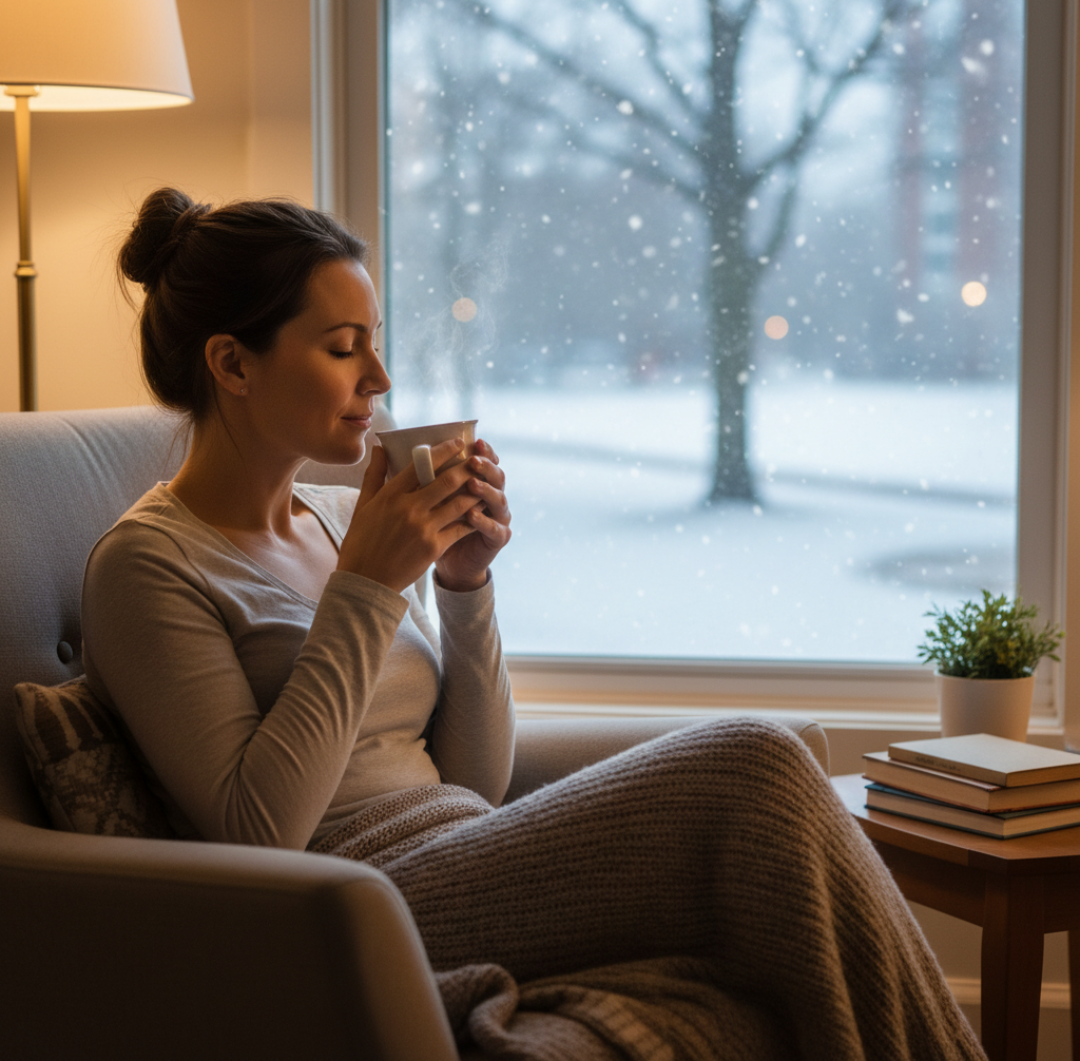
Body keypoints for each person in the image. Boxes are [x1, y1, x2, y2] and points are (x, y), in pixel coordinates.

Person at [80, 186, 987, 1061]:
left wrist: (463, 589)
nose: (381, 378)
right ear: (233, 363)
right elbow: (255, 834)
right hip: (357, 902)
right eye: (343, 348)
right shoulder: (147, 565)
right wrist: (367, 588)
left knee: (772, 867)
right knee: (754, 762)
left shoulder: (329, 519)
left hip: (464, 848)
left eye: (376, 344)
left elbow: (476, 779)